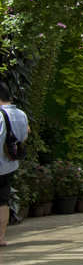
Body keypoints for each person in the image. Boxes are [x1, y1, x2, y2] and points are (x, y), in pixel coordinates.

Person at [0, 81, 30, 248]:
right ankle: (2, 237)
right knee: (3, 201)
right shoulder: (21, 114)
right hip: (10, 165)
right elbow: (23, 137)